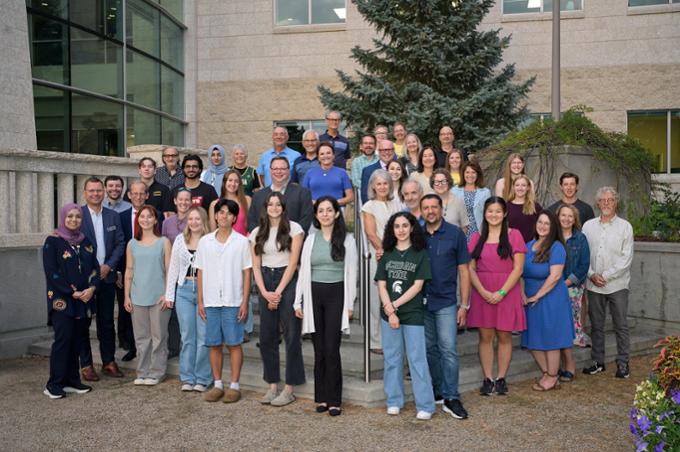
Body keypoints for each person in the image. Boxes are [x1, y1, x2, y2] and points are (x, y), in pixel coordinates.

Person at [294, 196, 358, 416]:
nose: (325, 214)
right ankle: (320, 398)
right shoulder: (310, 239)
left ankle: (334, 400)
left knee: (332, 349)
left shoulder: (347, 240)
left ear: (337, 213)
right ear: (316, 215)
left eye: (329, 210)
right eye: (321, 211)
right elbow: (303, 272)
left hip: (336, 295)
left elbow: (352, 273)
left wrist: (349, 305)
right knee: (319, 348)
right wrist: (298, 300)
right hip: (314, 294)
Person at [376, 211, 435, 420]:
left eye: (404, 226)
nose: (400, 230)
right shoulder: (387, 253)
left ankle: (425, 405)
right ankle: (393, 400)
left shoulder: (420, 254)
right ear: (392, 230)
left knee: (417, 359)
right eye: (396, 226)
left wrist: (394, 306)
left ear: (411, 228)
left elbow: (418, 286)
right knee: (392, 359)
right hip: (388, 315)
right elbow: (381, 284)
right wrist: (389, 309)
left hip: (412, 314)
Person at [468, 197, 527, 396]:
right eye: (490, 211)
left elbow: (518, 269)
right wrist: (483, 292)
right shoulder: (477, 237)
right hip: (482, 292)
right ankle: (488, 378)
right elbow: (471, 268)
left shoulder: (514, 235)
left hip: (507, 292)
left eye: (498, 211)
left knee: (504, 335)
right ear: (484, 214)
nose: (493, 215)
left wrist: (501, 292)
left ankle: (501, 377)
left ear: (504, 214)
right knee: (485, 336)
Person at [250, 192, 305, 406]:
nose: (274, 207)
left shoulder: (295, 229)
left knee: (292, 335)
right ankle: (272, 385)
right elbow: (255, 264)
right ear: (266, 207)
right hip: (265, 279)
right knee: (267, 336)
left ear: (283, 207)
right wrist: (264, 292)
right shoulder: (256, 232)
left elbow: (292, 264)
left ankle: (289, 388)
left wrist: (279, 291)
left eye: (278, 204)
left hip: (287, 279)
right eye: (270, 204)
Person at [196, 199, 252, 403]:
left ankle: (234, 385)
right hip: (211, 301)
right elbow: (200, 272)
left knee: (234, 343)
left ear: (234, 217)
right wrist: (200, 301)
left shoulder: (242, 242)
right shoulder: (205, 242)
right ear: (215, 216)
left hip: (232, 300)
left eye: (228, 213)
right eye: (220, 212)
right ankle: (218, 383)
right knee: (213, 344)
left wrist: (244, 302)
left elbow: (247, 274)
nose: (224, 216)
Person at [420, 194, 471, 419]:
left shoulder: (455, 234)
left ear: (442, 209)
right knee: (430, 349)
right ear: (421, 211)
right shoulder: (416, 234)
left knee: (448, 349)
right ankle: (438, 390)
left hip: (447, 302)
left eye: (434, 207)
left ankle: (452, 396)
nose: (430, 211)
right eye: (426, 208)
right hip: (422, 302)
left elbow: (464, 271)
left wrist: (465, 305)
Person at [42, 203, 100, 399]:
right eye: (70, 216)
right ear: (63, 217)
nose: (74, 220)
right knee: (63, 340)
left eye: (77, 217)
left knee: (77, 340)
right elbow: (51, 272)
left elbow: (95, 268)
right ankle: (54, 384)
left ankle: (72, 380)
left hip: (84, 300)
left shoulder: (86, 241)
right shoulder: (53, 241)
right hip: (63, 301)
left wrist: (92, 288)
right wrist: (71, 292)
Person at [582, 186, 634, 379]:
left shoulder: (625, 227)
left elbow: (626, 259)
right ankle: (598, 362)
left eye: (610, 200)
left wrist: (606, 276)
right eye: (602, 200)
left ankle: (623, 363)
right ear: (597, 203)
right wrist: (591, 274)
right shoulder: (588, 226)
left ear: (616, 202)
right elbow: (583, 255)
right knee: (596, 325)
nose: (606, 203)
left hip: (617, 285)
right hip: (594, 284)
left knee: (620, 325)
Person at [521, 211, 575, 392]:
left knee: (551, 339)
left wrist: (538, 296)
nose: (542, 226)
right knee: (533, 339)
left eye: (547, 224)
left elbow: (555, 276)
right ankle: (548, 373)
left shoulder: (557, 247)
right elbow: (519, 273)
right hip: (530, 299)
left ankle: (552, 377)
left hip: (551, 298)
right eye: (540, 222)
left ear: (553, 228)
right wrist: (522, 294)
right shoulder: (528, 246)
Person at [78, 177, 125, 381]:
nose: (95, 194)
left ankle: (109, 361)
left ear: (104, 192)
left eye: (99, 190)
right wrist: (93, 271)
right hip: (85, 280)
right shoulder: (76, 215)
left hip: (107, 277)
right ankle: (86, 365)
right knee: (84, 323)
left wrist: (109, 266)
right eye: (91, 191)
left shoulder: (113, 216)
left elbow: (120, 244)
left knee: (106, 322)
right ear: (85, 193)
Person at [165, 206, 213, 393]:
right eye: (190, 219)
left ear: (203, 221)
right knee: (187, 336)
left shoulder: (210, 241)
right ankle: (187, 377)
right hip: (184, 290)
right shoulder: (179, 240)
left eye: (197, 219)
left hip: (204, 292)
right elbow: (174, 269)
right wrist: (170, 295)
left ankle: (202, 378)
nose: (194, 222)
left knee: (202, 337)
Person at [123, 205, 172, 386]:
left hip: (158, 297)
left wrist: (167, 293)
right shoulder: (132, 244)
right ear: (138, 220)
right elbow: (129, 270)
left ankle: (157, 372)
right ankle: (142, 372)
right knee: (142, 338)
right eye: (142, 217)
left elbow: (169, 269)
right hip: (137, 297)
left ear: (155, 220)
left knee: (159, 337)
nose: (145, 219)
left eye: (149, 216)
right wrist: (127, 297)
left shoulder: (163, 242)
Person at [361, 170, 403, 353]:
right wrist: (386, 252)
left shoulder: (398, 204)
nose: (382, 187)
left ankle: (394, 338)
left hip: (398, 255)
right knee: (375, 297)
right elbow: (371, 233)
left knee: (395, 296)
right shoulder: (368, 206)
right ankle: (376, 341)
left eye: (385, 183)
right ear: (372, 186)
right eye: (378, 184)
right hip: (377, 256)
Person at [557, 204, 591, 383]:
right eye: (563, 215)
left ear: (574, 219)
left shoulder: (580, 239)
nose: (566, 219)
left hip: (571, 289)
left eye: (570, 216)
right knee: (556, 328)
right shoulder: (551, 237)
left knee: (568, 329)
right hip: (551, 289)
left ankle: (569, 366)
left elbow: (584, 265)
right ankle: (555, 365)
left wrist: (566, 283)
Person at [248, 156, 313, 232]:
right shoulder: (258, 196)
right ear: (270, 171)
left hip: (293, 241)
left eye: (282, 169)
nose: (278, 172)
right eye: (275, 169)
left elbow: (306, 221)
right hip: (264, 241)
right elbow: (252, 222)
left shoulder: (303, 194)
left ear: (288, 171)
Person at [302, 142, 354, 206]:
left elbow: (350, 197)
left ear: (333, 155)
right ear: (318, 157)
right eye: (322, 154)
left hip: (337, 210)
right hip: (315, 211)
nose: (325, 156)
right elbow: (303, 196)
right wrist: (317, 204)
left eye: (328, 153)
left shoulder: (342, 172)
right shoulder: (310, 173)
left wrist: (334, 203)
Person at [452, 161, 491, 242]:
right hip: (459, 233)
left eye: (473, 172)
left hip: (478, 233)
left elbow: (488, 215)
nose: (470, 175)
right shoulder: (454, 191)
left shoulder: (485, 192)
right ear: (463, 174)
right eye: (467, 172)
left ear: (478, 174)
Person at [209, 169, 251, 235]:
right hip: (222, 243)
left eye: (236, 181)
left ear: (239, 184)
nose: (233, 184)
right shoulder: (214, 204)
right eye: (230, 180)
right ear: (224, 182)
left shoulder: (247, 200)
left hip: (242, 242)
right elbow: (213, 231)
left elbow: (249, 225)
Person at [430, 169, 469, 233]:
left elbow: (465, 227)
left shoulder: (458, 201)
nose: (440, 185)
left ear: (449, 182)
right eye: (436, 182)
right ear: (432, 184)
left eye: (444, 181)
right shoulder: (427, 200)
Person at [507, 175, 542, 243]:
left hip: (530, 247)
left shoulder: (535, 206)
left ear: (528, 187)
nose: (520, 188)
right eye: (517, 185)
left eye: (523, 185)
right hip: (511, 246)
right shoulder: (506, 206)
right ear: (513, 187)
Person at [360, 139, 397, 204]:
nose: (387, 152)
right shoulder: (368, 171)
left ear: (394, 151)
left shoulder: (401, 168)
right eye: (383, 150)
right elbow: (365, 196)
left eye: (389, 149)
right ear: (378, 152)